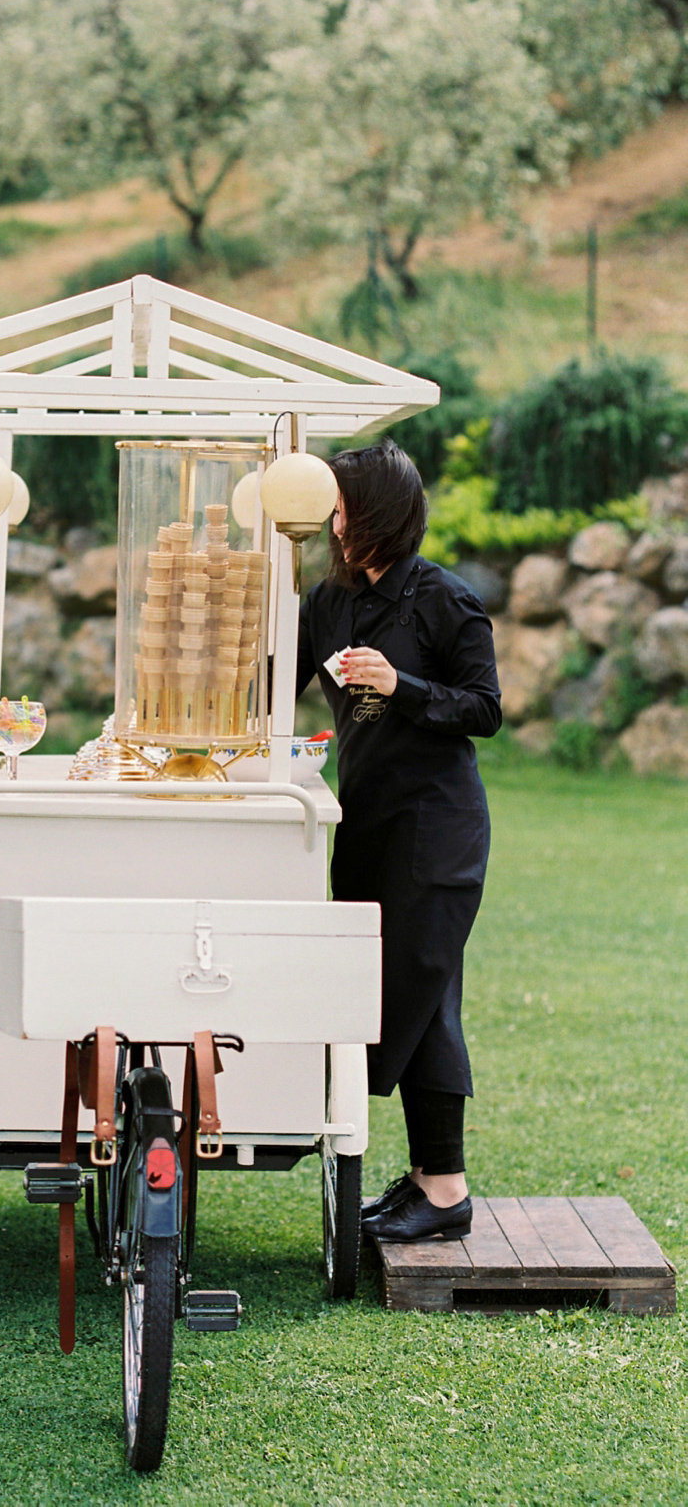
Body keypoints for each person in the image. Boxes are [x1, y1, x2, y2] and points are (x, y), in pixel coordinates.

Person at [296, 440, 502, 1243]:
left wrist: (398, 685)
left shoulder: (447, 600)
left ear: (376, 509)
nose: (332, 520)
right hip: (369, 825)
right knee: (398, 995)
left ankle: (444, 1189)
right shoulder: (330, 603)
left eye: (341, 504)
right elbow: (280, 682)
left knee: (423, 993)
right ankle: (426, 1179)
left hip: (438, 829)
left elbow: (484, 709)